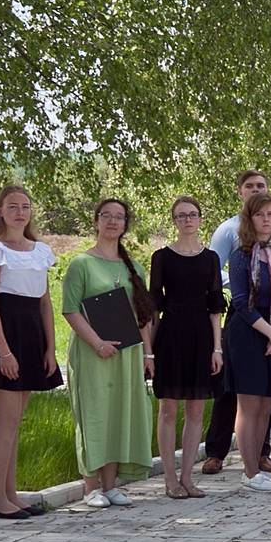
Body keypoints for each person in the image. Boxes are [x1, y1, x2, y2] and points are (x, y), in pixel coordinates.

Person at [0, 185, 62, 519]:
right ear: (0, 211)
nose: (20, 212)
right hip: (6, 336)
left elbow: (45, 301)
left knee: (17, 422)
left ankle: (11, 494)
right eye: (13, 206)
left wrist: (50, 347)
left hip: (32, 335)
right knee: (6, 420)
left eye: (25, 206)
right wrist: (4, 352)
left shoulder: (40, 250)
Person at [61, 198, 156, 508]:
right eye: (107, 216)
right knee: (95, 415)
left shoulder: (134, 267)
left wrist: (147, 353)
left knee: (118, 413)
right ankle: (91, 487)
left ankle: (111, 485)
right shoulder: (81, 264)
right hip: (93, 353)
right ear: (96, 221)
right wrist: (97, 343)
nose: (113, 222)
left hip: (127, 354)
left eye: (119, 217)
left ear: (126, 225)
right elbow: (71, 310)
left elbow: (142, 315)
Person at [203, 170, 271, 476]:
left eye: (262, 186)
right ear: (241, 192)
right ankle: (218, 452)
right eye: (250, 186)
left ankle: (261, 454)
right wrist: (247, 282)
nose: (256, 190)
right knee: (234, 393)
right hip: (245, 319)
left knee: (266, 397)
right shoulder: (230, 233)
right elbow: (216, 271)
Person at [148, 196, 224, 501]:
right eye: (181, 216)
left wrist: (217, 348)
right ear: (174, 221)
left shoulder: (211, 259)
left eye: (192, 214)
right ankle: (169, 479)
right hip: (170, 335)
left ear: (200, 219)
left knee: (196, 409)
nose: (187, 220)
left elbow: (215, 307)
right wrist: (148, 351)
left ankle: (188, 478)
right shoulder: (161, 257)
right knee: (168, 408)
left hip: (202, 338)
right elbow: (152, 306)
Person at [223, 192, 271, 493]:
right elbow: (241, 302)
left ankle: (258, 466)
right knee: (249, 405)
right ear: (249, 219)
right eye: (260, 215)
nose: (266, 220)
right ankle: (249, 471)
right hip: (248, 335)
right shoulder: (241, 255)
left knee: (267, 405)